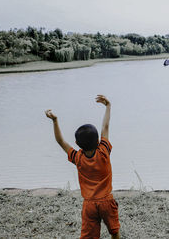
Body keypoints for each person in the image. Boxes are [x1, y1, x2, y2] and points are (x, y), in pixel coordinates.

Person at [45, 95, 120, 239]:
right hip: (106, 201)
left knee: (89, 236)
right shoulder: (103, 151)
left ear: (77, 144)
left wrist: (55, 120)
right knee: (114, 230)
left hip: (89, 205)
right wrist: (108, 106)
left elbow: (61, 141)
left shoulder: (78, 158)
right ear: (98, 140)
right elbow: (105, 126)